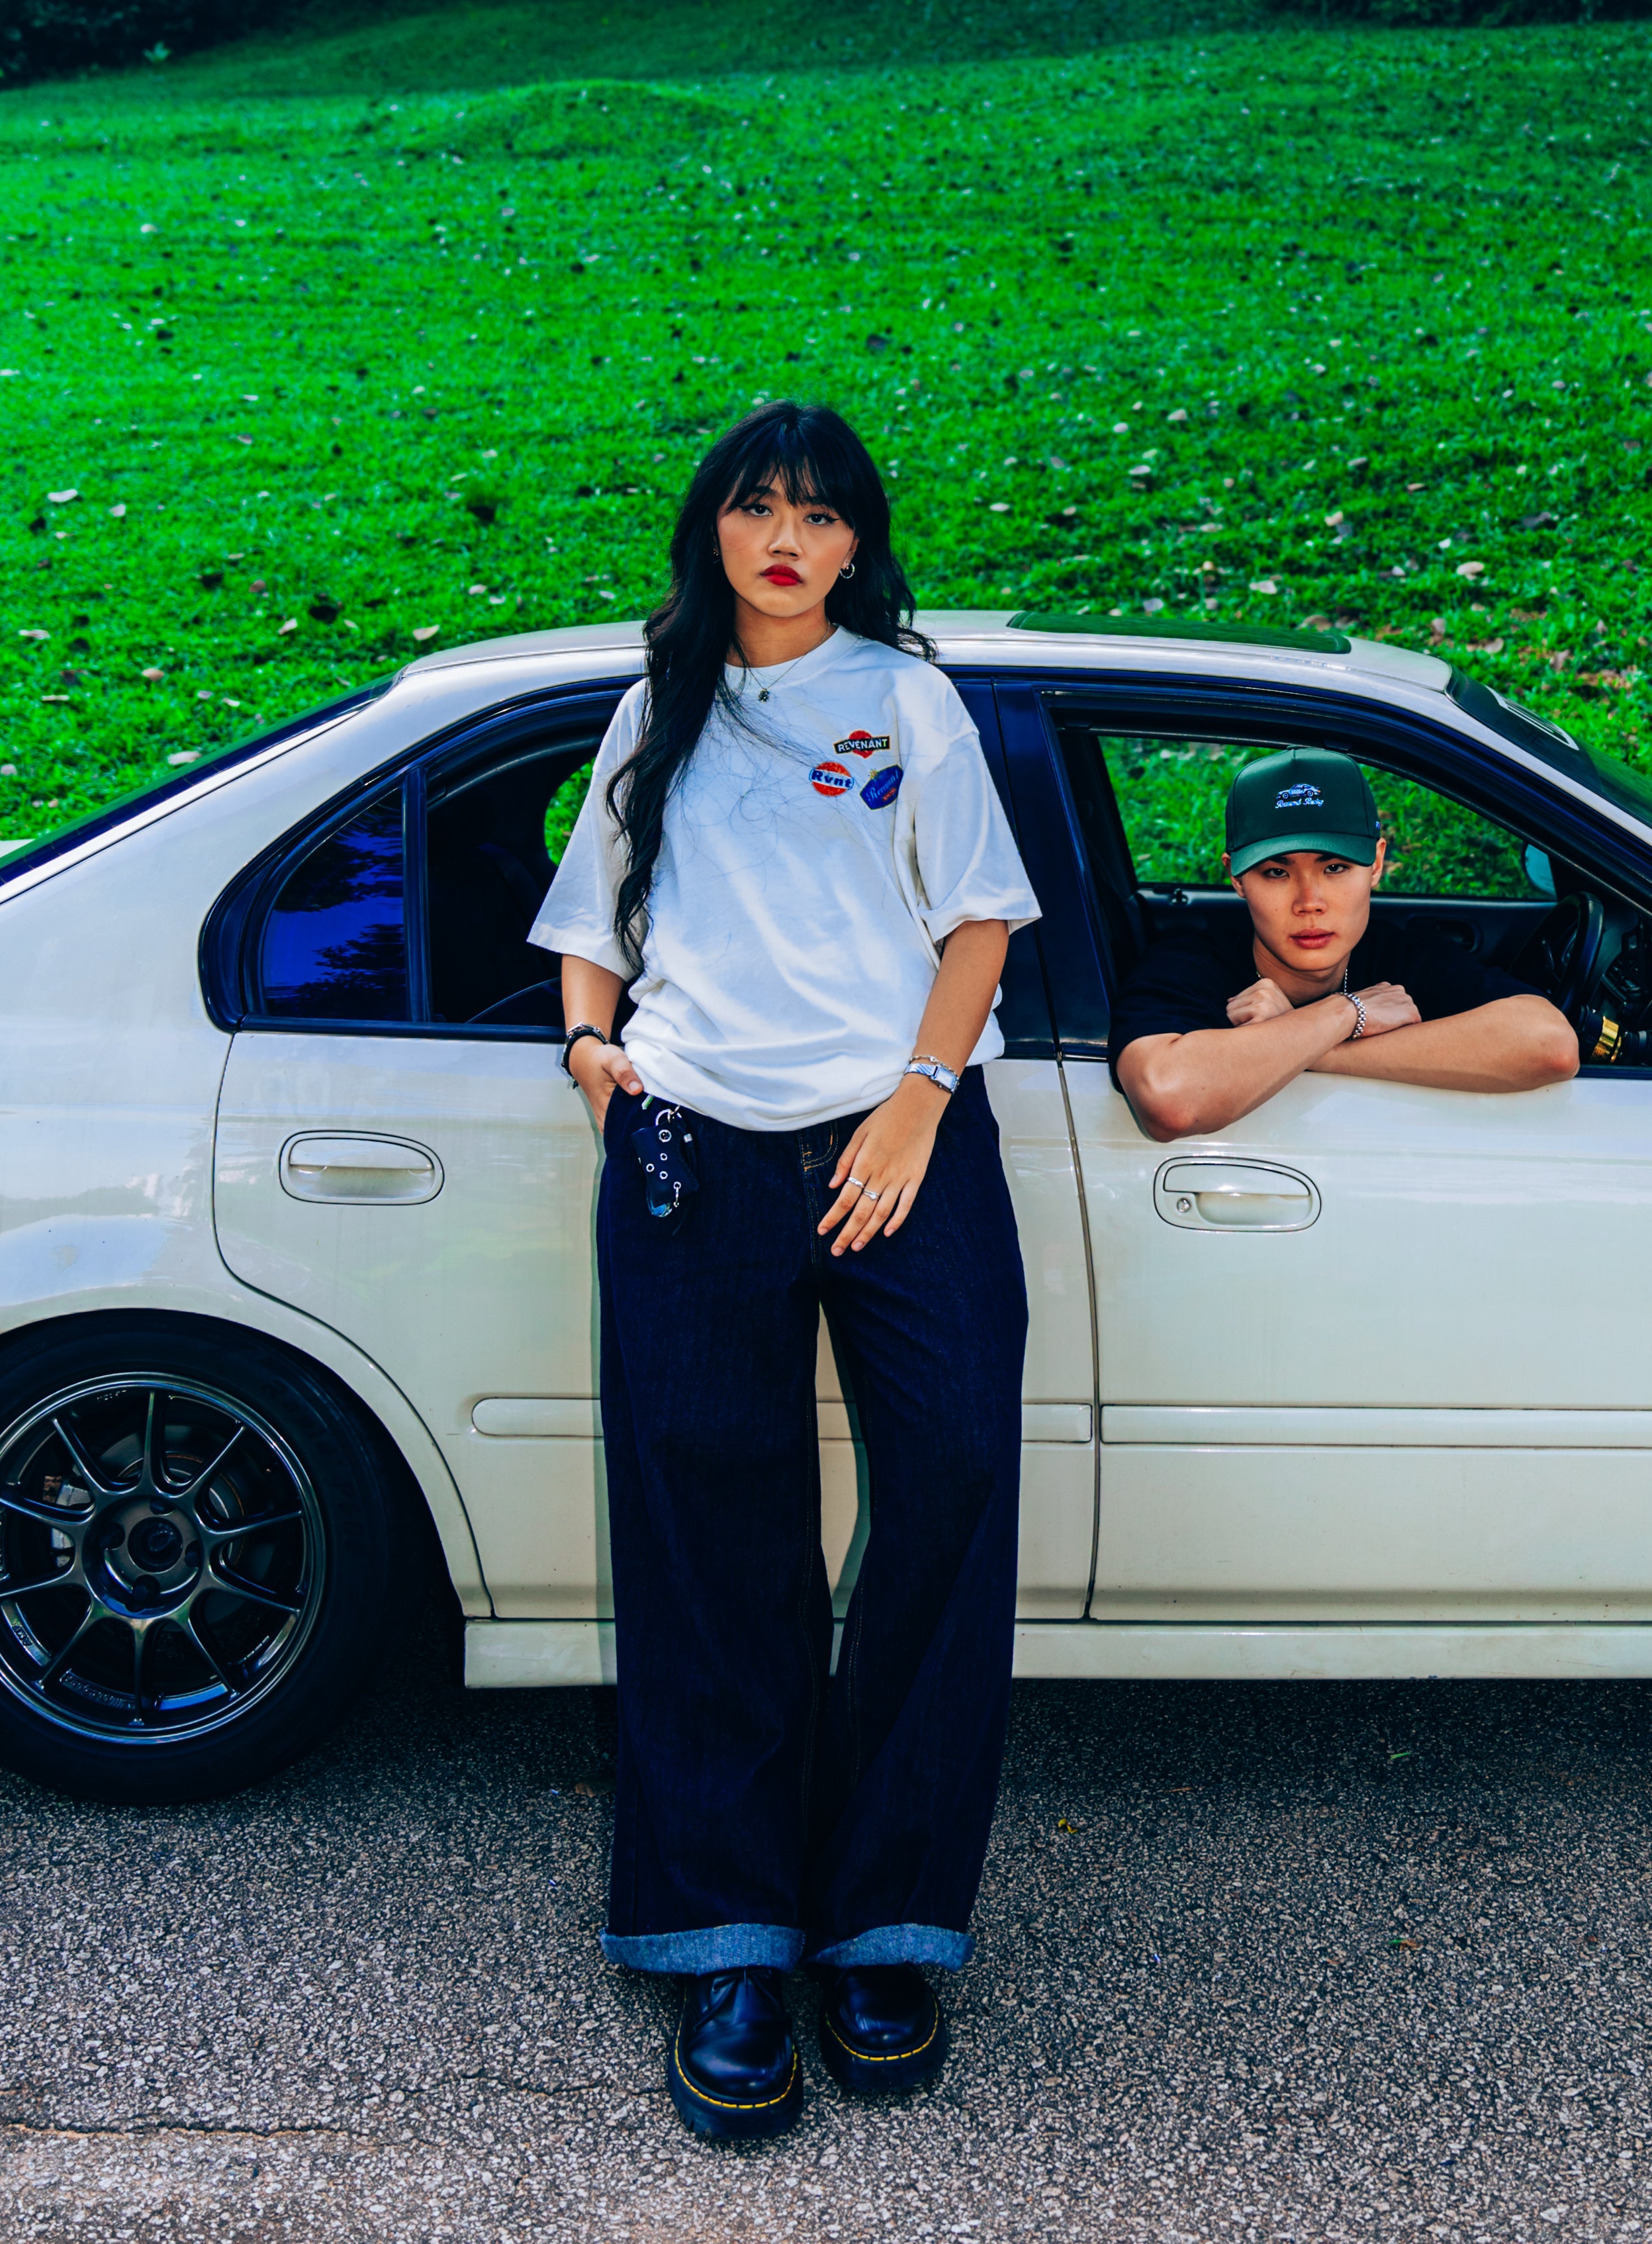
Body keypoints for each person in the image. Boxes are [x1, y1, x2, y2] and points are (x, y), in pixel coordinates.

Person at [529, 400, 1040, 2143]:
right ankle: (732, 1934)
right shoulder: (650, 710)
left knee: (955, 1467)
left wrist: (913, 1102)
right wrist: (598, 1063)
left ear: (852, 542)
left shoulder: (906, 698)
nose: (784, 536)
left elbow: (975, 920)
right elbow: (588, 938)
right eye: (756, 503)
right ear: (715, 527)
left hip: (897, 1141)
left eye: (817, 513)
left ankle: (884, 1913)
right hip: (692, 1151)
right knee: (710, 1517)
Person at [1110, 743, 1580, 1139]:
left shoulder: (1401, 952)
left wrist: (1316, 1045)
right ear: (1234, 877)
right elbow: (1169, 1101)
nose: (1309, 901)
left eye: (1334, 867)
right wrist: (1345, 1012)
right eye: (1276, 872)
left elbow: (1549, 1045)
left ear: (1375, 864)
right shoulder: (1190, 963)